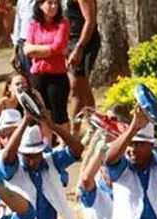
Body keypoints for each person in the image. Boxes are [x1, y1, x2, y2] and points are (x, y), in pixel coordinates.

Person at [0, 111, 83, 219]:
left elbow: (78, 149)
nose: (32, 160)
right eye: (27, 155)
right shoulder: (12, 168)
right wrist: (25, 121)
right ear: (20, 152)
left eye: (36, 154)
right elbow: (7, 157)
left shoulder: (51, 161)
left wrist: (53, 127)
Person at [25, 0, 71, 132]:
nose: (54, 6)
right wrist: (51, 50)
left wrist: (37, 51)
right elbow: (27, 50)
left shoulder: (62, 23)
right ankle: (47, 143)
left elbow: (58, 46)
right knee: (42, 114)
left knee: (59, 114)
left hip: (57, 75)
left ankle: (66, 145)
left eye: (56, 3)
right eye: (49, 3)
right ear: (40, 5)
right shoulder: (34, 25)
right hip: (38, 75)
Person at [65, 0, 99, 134]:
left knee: (76, 87)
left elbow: (90, 21)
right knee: (82, 87)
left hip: (83, 43)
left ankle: (75, 131)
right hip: (70, 41)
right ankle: (94, 126)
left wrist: (79, 48)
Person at [12, 0, 36, 78]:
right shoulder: (22, 1)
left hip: (38, 42)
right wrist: (15, 50)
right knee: (26, 75)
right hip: (23, 41)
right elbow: (18, 24)